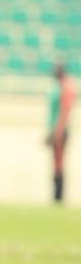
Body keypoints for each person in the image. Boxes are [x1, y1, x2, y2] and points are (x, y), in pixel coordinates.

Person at [46, 63, 75, 204]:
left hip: (60, 130)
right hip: (56, 129)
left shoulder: (66, 87)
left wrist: (57, 132)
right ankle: (57, 197)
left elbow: (64, 112)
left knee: (59, 163)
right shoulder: (59, 87)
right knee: (56, 163)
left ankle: (58, 197)